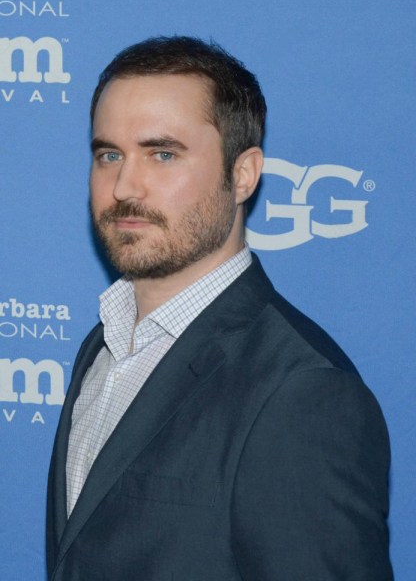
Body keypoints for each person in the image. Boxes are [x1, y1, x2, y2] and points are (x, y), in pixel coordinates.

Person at [46, 36, 393, 581]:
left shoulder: (302, 393)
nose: (124, 186)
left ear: (243, 174)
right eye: (109, 154)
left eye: (163, 154)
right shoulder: (103, 346)